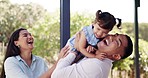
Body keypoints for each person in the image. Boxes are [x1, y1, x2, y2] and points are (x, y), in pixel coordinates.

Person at [51, 33, 133, 78]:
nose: (111, 37)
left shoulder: (98, 66)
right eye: (115, 35)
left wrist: (74, 51)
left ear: (116, 56)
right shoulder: (94, 56)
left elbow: (56, 75)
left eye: (117, 41)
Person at [0, 28, 67, 78]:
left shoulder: (40, 61)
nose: (30, 37)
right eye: (25, 35)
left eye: (30, 35)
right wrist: (58, 62)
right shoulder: (11, 62)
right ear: (16, 43)